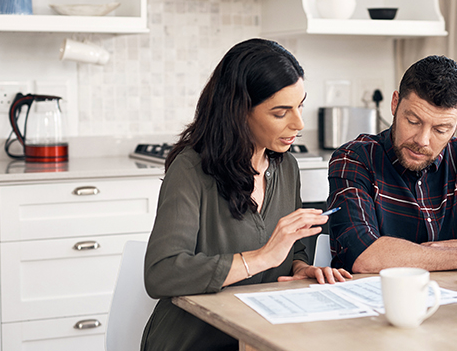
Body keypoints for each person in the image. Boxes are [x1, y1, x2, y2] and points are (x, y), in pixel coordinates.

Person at [142, 38, 351, 351]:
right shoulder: (191, 169)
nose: (299, 123)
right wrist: (263, 257)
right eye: (281, 112)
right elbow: (161, 273)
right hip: (193, 342)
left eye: (300, 105)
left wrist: (300, 269)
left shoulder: (286, 167)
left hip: (259, 337)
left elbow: (291, 252)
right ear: (239, 112)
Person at [327, 55, 457, 274]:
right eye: (413, 121)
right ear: (395, 103)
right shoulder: (354, 158)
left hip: (451, 299)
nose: (422, 140)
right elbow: (363, 255)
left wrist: (433, 249)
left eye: (440, 130)